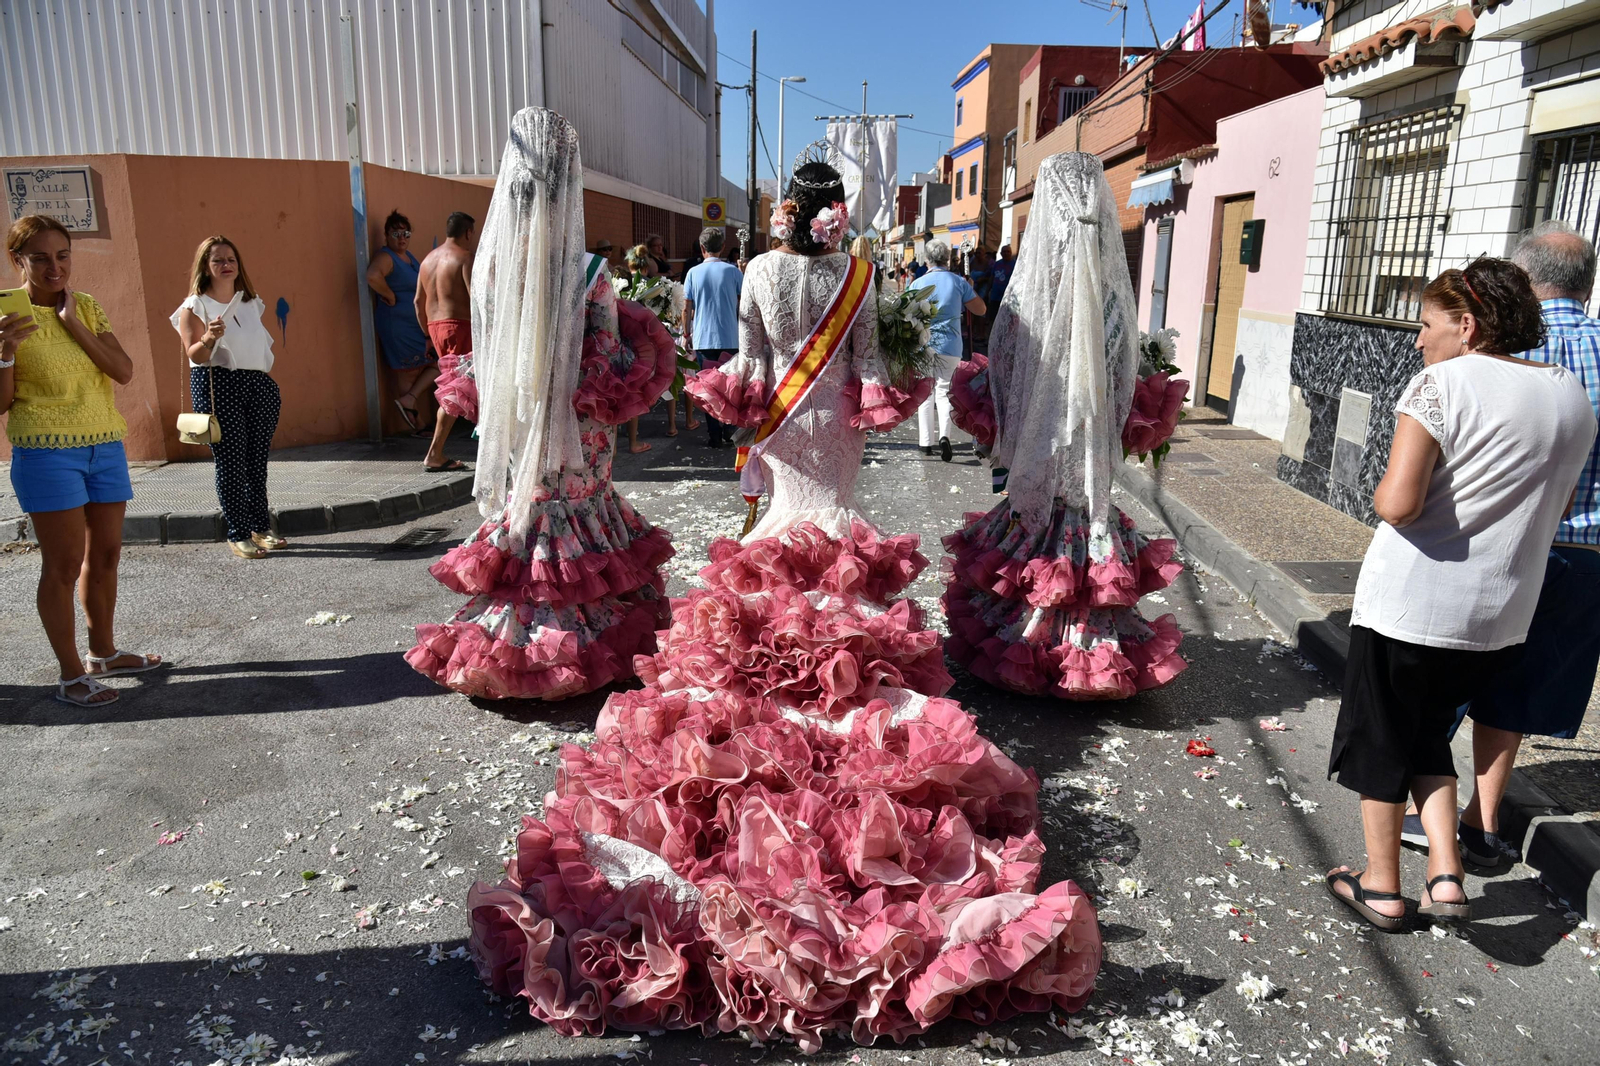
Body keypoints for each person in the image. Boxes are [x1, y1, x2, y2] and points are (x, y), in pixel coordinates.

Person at [465, 158, 1101, 1048]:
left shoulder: (763, 272)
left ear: (787, 210)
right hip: (835, 422)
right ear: (836, 212)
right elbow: (877, 368)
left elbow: (755, 371)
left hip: (786, 418)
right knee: (835, 534)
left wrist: (753, 423)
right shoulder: (862, 272)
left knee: (775, 539)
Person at [1325, 256, 1594, 931]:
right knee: (1426, 734)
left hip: (1412, 601)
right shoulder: (1568, 392)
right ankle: (1446, 872)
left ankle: (1382, 886)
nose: (1419, 339)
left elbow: (1399, 503)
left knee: (1381, 737)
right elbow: (1558, 506)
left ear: (1467, 325)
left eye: (1426, 323)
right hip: (1500, 612)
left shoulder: (1440, 385)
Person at [406, 107, 677, 701]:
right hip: (579, 421)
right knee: (580, 508)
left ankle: (514, 639)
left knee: (526, 511)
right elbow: (606, 353)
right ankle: (582, 643)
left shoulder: (493, 266)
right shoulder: (589, 271)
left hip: (519, 411)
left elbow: (492, 345)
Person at [943, 153, 1187, 701]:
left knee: (1035, 518)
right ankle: (1088, 654)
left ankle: (1029, 646)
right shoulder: (1110, 296)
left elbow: (1004, 365)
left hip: (1041, 441)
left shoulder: (1030, 291)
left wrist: (1005, 422)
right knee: (1082, 512)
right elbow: (1127, 372)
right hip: (1091, 441)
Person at [1410, 221, 1600, 869]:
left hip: (1499, 545)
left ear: (1520, 281)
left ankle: (1425, 817)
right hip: (1587, 556)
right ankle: (1483, 822)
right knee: (1518, 690)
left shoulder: (1500, 350)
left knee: (1444, 681)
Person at [2, 215, 161, 707]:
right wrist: (4, 354)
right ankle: (71, 676)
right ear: (18, 261)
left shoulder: (86, 307)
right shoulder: (5, 314)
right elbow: (1, 403)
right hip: (46, 452)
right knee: (64, 564)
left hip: (104, 446)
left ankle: (103, 653)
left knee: (107, 555)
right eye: (41, 258)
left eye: (63, 255)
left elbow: (124, 371)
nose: (55, 267)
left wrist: (73, 324)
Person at [171, 236, 286, 560]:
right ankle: (238, 532)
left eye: (231, 259)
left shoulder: (250, 301)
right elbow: (193, 353)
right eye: (218, 260)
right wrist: (208, 337)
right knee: (231, 462)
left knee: (256, 462)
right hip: (218, 383)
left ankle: (261, 528)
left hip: (257, 383)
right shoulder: (194, 306)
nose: (226, 265)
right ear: (205, 267)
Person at [907, 239, 985, 461]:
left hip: (923, 344)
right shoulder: (958, 282)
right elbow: (980, 310)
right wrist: (969, 288)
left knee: (925, 392)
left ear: (927, 259)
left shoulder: (917, 283)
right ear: (948, 259)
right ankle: (944, 436)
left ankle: (925, 443)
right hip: (951, 345)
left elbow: (905, 313)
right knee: (943, 391)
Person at [413, 210, 476, 473]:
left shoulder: (427, 260)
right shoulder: (464, 257)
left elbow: (418, 302)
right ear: (468, 232)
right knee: (457, 391)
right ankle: (434, 453)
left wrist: (428, 335)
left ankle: (438, 452)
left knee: (460, 388)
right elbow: (476, 297)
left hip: (435, 327)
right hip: (458, 326)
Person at [365, 210, 436, 433]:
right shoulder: (386, 256)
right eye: (396, 233)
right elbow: (372, 276)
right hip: (398, 326)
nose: (402, 238)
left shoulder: (408, 256)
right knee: (409, 370)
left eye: (405, 233)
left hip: (414, 325)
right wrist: (390, 295)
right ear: (386, 235)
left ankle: (412, 408)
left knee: (432, 363)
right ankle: (414, 424)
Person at [682, 225, 742, 448]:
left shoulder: (693, 273)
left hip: (704, 338)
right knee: (730, 385)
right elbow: (743, 305)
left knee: (707, 388)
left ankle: (714, 433)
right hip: (731, 336)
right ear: (723, 247)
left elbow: (687, 308)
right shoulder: (734, 271)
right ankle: (729, 428)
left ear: (701, 247)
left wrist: (687, 333)